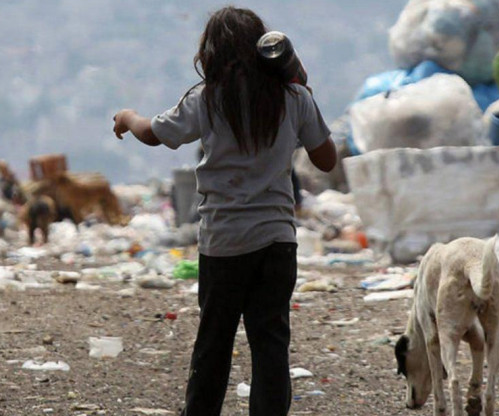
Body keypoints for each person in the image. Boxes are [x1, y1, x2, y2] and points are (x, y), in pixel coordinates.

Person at [112, 7, 336, 415]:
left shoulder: (207, 97)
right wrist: (301, 85)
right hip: (277, 241)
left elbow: (155, 134)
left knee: (214, 343)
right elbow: (326, 159)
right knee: (270, 346)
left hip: (224, 242)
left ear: (211, 51)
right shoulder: (294, 97)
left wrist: (127, 117)